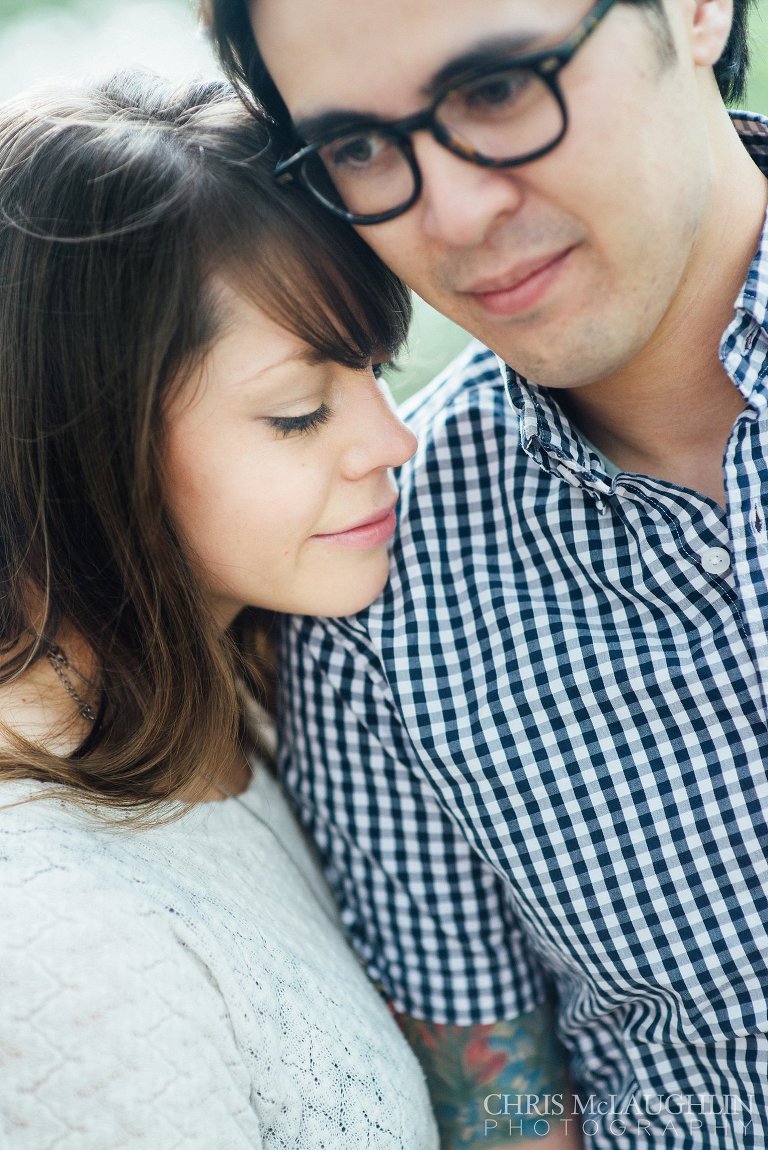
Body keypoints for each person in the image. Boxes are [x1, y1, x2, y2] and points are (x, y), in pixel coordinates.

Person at [206, 0, 768, 1145]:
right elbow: (506, 1107)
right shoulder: (377, 595)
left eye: (502, 87)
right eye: (360, 147)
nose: (452, 215)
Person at [0, 70, 443, 1149]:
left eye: (377, 372)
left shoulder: (258, 686)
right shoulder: (50, 935)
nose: (395, 441)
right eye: (298, 413)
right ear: (86, 442)